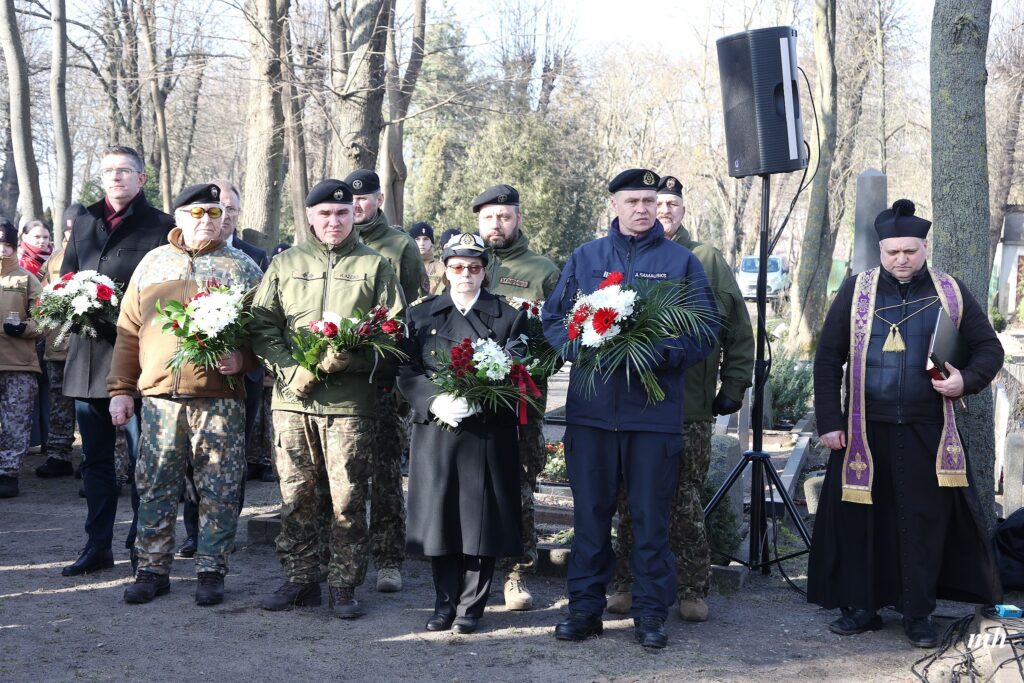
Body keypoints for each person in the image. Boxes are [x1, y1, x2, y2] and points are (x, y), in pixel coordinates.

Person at [808, 199, 1004, 648]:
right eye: (893, 251)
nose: (902, 259)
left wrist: (965, 381)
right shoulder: (856, 291)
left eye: (910, 251)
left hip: (928, 430)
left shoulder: (951, 292)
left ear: (923, 248)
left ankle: (918, 613)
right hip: (863, 429)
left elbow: (989, 349)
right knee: (862, 520)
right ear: (881, 250)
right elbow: (827, 359)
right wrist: (830, 421)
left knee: (922, 522)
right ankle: (863, 608)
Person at [540, 168, 717, 649]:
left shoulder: (681, 262)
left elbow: (705, 328)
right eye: (632, 200)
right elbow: (554, 319)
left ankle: (650, 616)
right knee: (591, 519)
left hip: (653, 417)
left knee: (650, 520)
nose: (643, 209)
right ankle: (584, 612)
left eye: (649, 200)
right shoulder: (586, 257)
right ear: (614, 204)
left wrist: (660, 352)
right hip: (592, 414)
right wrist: (580, 345)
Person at [607, 175, 754, 622]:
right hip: (630, 403)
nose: (662, 210)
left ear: (682, 210)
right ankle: (629, 582)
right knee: (629, 498)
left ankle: (691, 586)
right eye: (655, 203)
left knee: (682, 499)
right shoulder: (623, 255)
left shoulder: (705, 259)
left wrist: (732, 388)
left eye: (670, 203)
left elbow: (738, 332)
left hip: (687, 406)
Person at [108, 183, 263, 605]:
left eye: (214, 213)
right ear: (178, 218)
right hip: (159, 399)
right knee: (155, 484)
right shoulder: (153, 264)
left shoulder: (242, 267)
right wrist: (121, 390)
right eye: (196, 213)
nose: (205, 222)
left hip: (220, 400)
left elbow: (266, 332)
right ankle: (152, 569)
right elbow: (127, 332)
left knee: (220, 486)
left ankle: (211, 569)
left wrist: (244, 359)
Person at [251, 178, 400, 618]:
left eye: (342, 213)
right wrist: (291, 369)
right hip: (292, 402)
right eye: (324, 214)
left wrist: (347, 360)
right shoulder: (285, 264)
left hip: (349, 406)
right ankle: (301, 578)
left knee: (348, 497)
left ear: (354, 214)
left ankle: (343, 583)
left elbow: (392, 334)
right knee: (296, 495)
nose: (333, 221)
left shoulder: (375, 267)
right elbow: (262, 326)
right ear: (310, 217)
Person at [398, 232, 526, 634]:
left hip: (486, 431)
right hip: (437, 429)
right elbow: (404, 369)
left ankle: (472, 607)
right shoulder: (421, 316)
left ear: (484, 271)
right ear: (444, 270)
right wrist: (435, 400)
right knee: (442, 519)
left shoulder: (509, 315)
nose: (465, 274)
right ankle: (443, 603)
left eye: (474, 267)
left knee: (480, 520)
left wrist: (481, 398)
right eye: (456, 267)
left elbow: (522, 368)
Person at [60, 145, 174, 577]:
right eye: (108, 170)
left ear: (141, 178)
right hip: (89, 361)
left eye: (124, 171)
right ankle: (97, 545)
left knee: (142, 460)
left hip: (139, 362)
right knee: (95, 462)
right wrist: (73, 300)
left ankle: (140, 546)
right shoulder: (85, 221)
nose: (115, 178)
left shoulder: (161, 226)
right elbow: (67, 278)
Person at [472, 183, 560, 611]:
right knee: (472, 486)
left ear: (518, 219)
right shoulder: (463, 263)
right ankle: (473, 572)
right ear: (478, 221)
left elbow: (560, 337)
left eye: (504, 216)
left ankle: (516, 575)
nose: (496, 224)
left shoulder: (542, 271)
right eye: (489, 217)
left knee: (520, 487)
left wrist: (531, 375)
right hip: (468, 403)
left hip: (521, 403)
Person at [176, 179, 272, 559]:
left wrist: (245, 360)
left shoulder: (254, 257)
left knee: (232, 458)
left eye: (228, 209)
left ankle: (224, 528)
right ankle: (192, 532)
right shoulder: (179, 257)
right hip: (189, 378)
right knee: (188, 458)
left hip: (238, 378)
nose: (222, 215)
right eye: (215, 209)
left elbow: (262, 319)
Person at [343, 169, 426, 593]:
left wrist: (401, 376)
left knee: (387, 468)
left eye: (365, 199)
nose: (356, 207)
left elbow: (413, 309)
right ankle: (341, 553)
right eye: (350, 200)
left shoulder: (400, 245)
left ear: (379, 200)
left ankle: (389, 558)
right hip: (341, 376)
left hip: (384, 376)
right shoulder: (331, 242)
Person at [35, 207, 86, 479]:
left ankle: (91, 456)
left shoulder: (96, 249)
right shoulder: (54, 260)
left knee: (90, 402)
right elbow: (41, 298)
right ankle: (58, 453)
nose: (72, 233)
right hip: (57, 343)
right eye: (68, 228)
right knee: (59, 400)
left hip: (89, 342)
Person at [0, 219, 43, 498]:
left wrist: (26, 328)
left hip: (19, 364)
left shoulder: (27, 279)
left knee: (15, 421)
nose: (1, 250)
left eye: (6, 244)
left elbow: (47, 319)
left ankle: (7, 472)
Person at [410, 221, 446, 295]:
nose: (422, 243)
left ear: (431, 242)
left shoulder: (441, 268)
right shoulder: (406, 266)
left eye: (426, 239)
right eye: (417, 239)